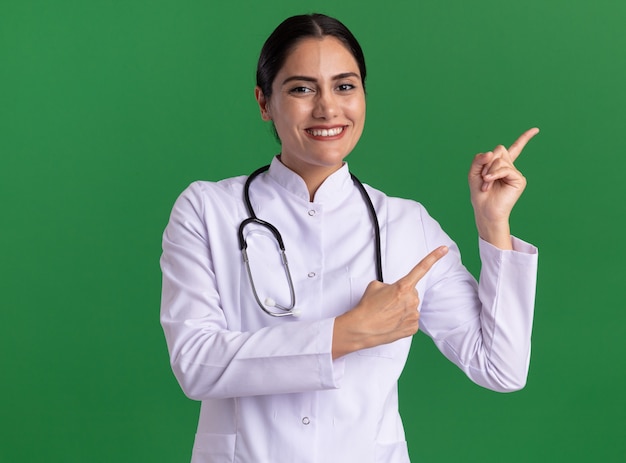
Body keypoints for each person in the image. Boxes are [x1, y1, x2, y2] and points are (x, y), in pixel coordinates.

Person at [160, 13, 539, 463]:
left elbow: (500, 367)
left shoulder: (405, 224)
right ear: (264, 102)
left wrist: (493, 224)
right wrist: (347, 333)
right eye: (302, 88)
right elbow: (196, 364)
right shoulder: (208, 210)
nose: (327, 109)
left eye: (345, 86)